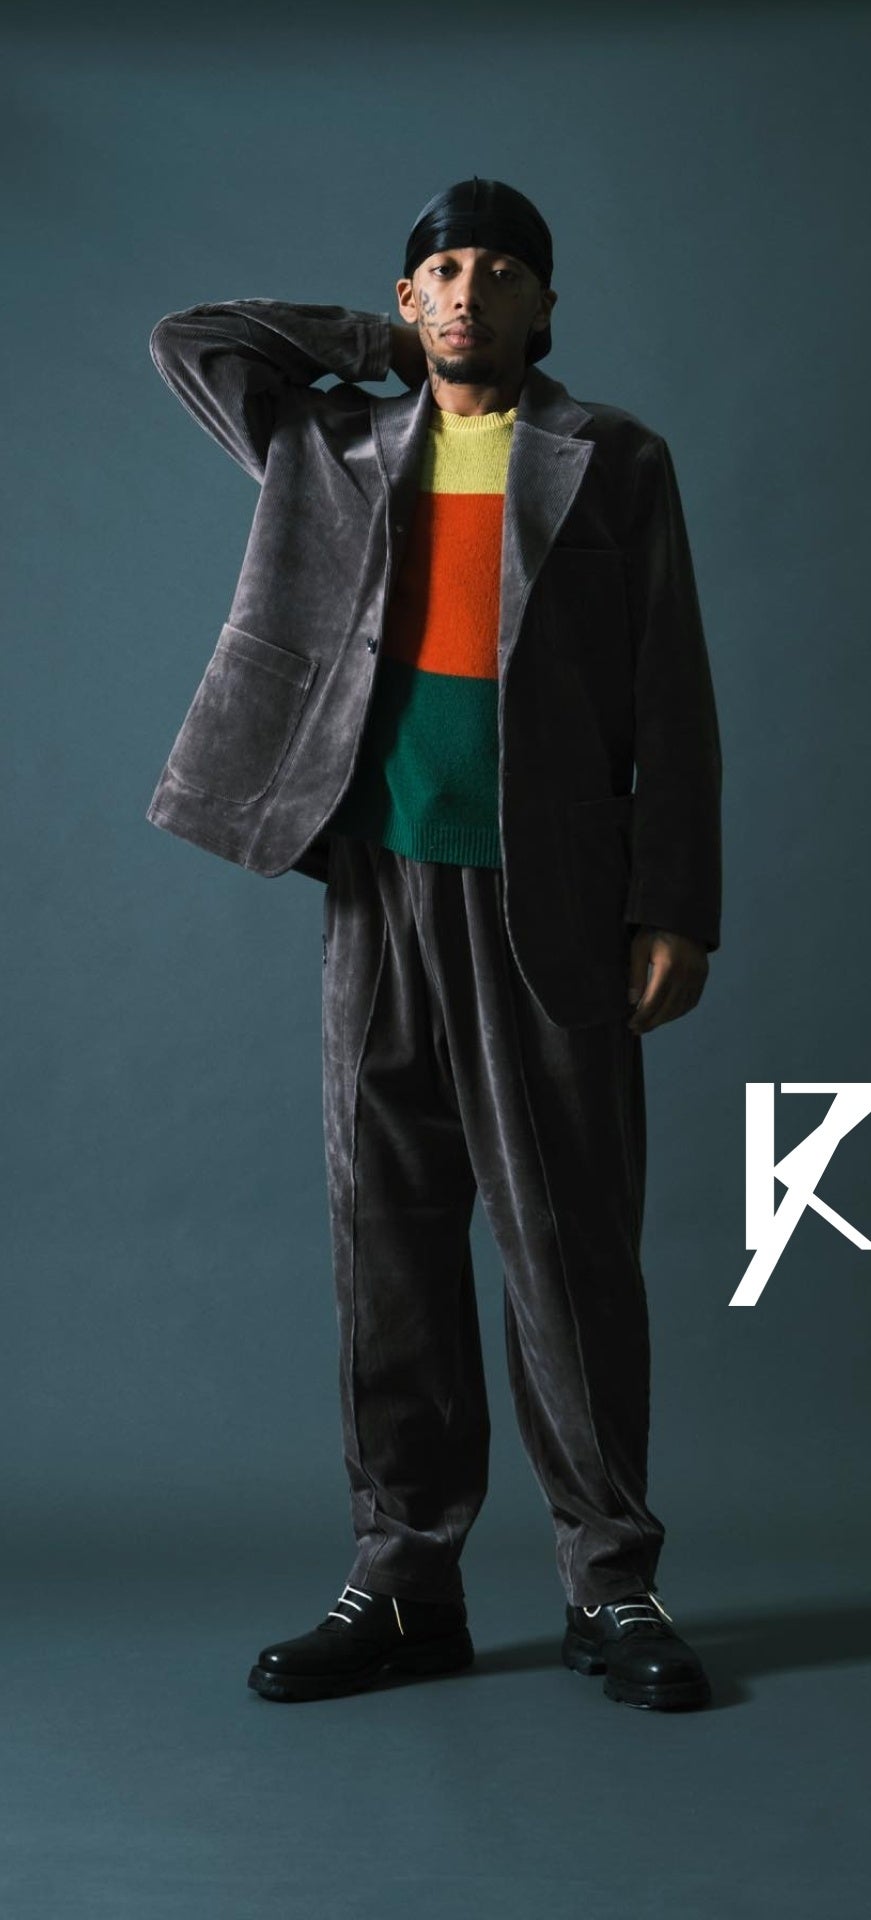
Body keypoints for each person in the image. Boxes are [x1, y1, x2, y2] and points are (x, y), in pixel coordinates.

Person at [146, 177, 722, 1712]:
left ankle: (614, 1582)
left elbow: (672, 689)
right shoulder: (331, 447)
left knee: (569, 1251)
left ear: (547, 306)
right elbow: (193, 342)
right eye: (444, 272)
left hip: (553, 898)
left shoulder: (614, 461)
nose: (470, 291)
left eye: (502, 272)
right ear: (411, 299)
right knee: (387, 1247)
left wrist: (673, 904)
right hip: (377, 887)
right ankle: (404, 1584)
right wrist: (381, 349)